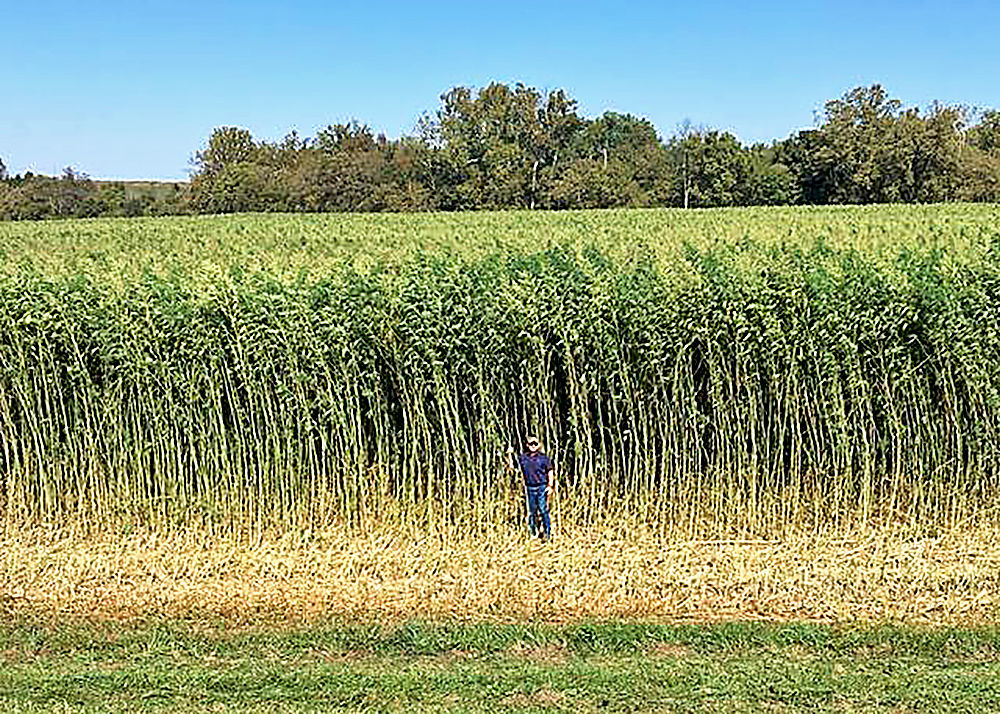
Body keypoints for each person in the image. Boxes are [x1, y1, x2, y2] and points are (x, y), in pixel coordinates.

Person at [507, 435, 555, 540]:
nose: (533, 446)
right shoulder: (523, 458)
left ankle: (547, 533)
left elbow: (550, 472)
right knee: (531, 511)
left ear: (539, 445)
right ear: (527, 445)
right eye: (531, 444)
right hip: (529, 487)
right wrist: (509, 454)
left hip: (542, 487)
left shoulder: (544, 458)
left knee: (543, 510)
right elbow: (512, 467)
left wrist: (550, 486)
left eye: (535, 444)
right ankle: (533, 533)